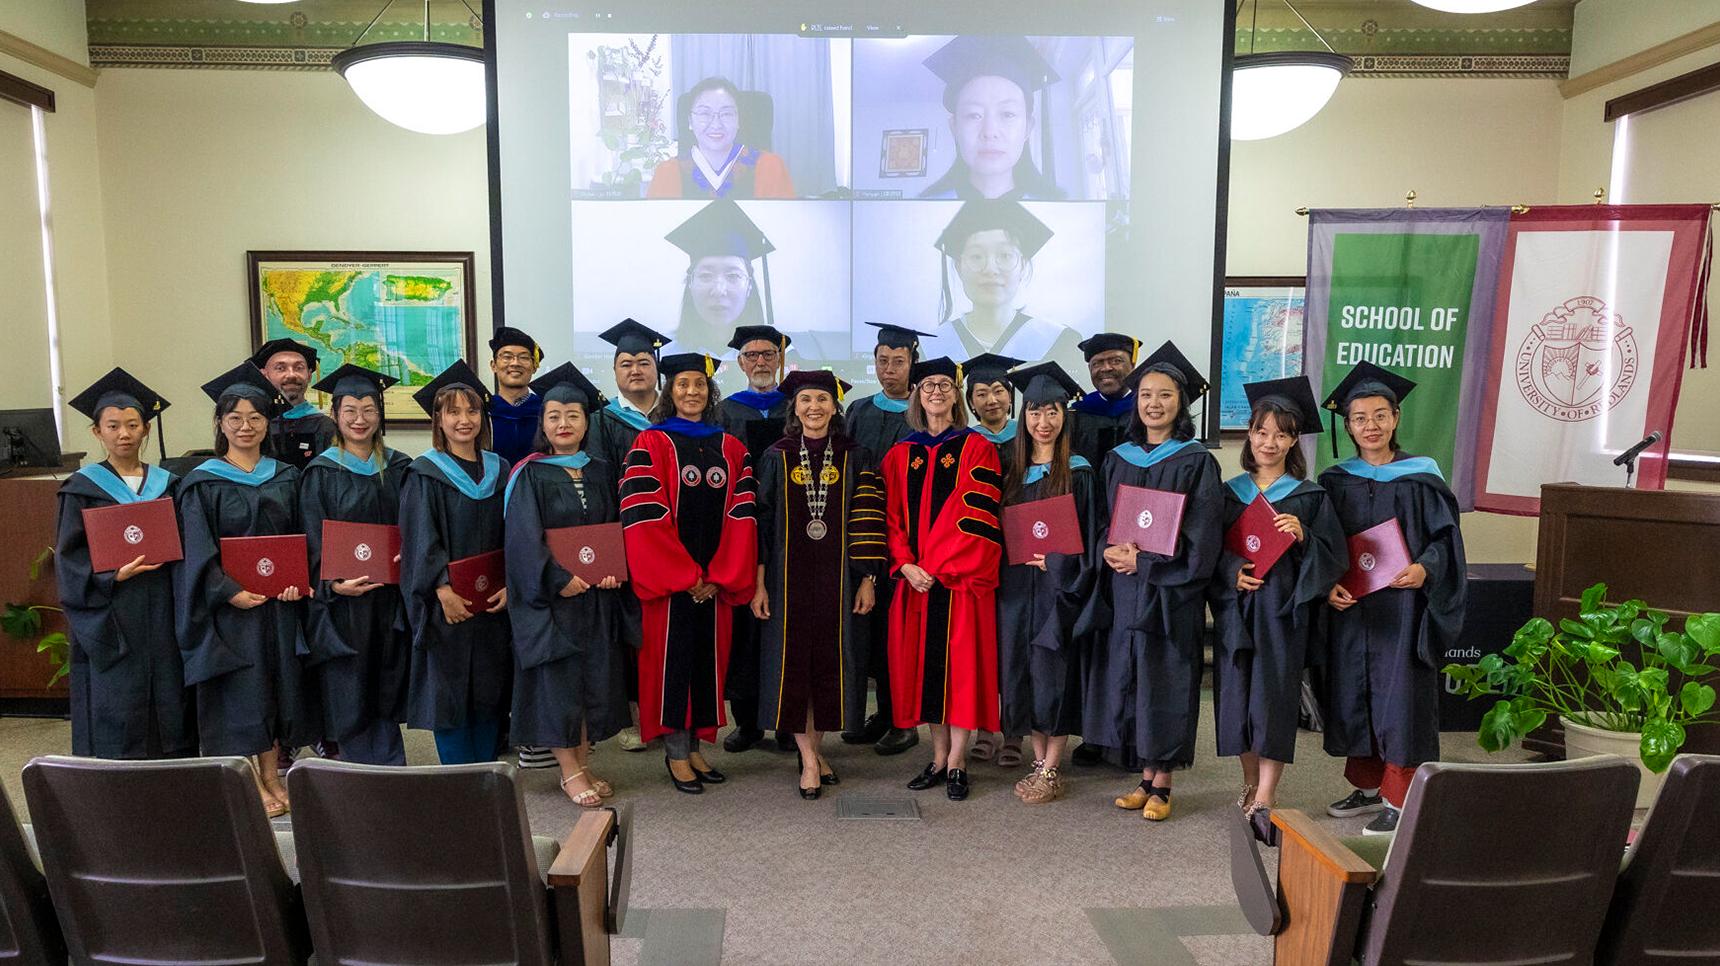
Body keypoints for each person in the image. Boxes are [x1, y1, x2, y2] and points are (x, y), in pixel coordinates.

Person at [1316, 362, 1466, 836]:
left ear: (1396, 417)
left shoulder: (1420, 477)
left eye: (1380, 416)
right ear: (1348, 425)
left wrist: (1426, 568)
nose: (1370, 426)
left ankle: (1399, 797)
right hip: (1355, 609)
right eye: (1359, 418)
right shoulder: (1336, 480)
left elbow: (1446, 542)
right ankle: (1366, 783)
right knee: (1355, 691)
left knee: (1400, 697)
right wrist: (1328, 585)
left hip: (1402, 607)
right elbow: (1324, 543)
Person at [1088, 341, 1224, 822]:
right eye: (1145, 394)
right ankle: (1145, 778)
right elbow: (1104, 517)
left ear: (1180, 403)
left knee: (1166, 679)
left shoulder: (1197, 461)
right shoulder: (1120, 458)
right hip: (1127, 588)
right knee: (1134, 678)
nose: (1153, 403)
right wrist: (1109, 548)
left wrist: (1143, 563)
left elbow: (1202, 537)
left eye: (1164, 395)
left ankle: (1163, 785)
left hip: (1169, 593)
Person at [1208, 376, 1346, 841]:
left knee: (1272, 703)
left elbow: (1333, 557)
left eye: (1282, 434)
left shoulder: (1308, 496)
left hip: (1281, 616)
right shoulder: (1229, 493)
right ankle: (1248, 784)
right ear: (1249, 434)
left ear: (1293, 440)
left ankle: (1267, 794)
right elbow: (1208, 551)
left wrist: (1305, 536)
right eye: (1262, 431)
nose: (1270, 442)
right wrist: (1231, 571)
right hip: (1236, 611)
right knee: (1238, 701)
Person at [174, 363, 312, 816]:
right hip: (230, 608)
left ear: (267, 423)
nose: (246, 426)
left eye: (255, 418)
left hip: (276, 605)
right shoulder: (202, 481)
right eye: (235, 418)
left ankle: (273, 774)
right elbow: (197, 548)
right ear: (220, 424)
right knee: (238, 690)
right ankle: (249, 778)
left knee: (273, 686)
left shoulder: (286, 475)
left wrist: (297, 583)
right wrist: (226, 590)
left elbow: (302, 539)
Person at [620, 352, 758, 794]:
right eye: (683, 385)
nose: (692, 392)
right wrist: (685, 576)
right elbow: (645, 517)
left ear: (710, 391)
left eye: (699, 385)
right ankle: (676, 753)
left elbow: (743, 514)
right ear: (670, 392)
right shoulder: (650, 444)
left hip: (713, 584)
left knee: (707, 666)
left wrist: (719, 575)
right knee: (672, 667)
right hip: (672, 586)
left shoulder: (731, 448)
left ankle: (696, 746)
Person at [750, 370, 886, 799]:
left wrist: (868, 579)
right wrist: (759, 584)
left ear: (835, 406)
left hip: (839, 582)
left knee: (831, 668)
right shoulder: (776, 455)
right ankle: (808, 760)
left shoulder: (856, 456)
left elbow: (869, 520)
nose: (814, 407)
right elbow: (762, 526)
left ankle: (815, 751)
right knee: (794, 669)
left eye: (822, 400)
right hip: (786, 582)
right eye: (806, 400)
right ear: (794, 408)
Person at [503, 362, 632, 807]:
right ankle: (569, 771)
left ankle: (583, 762)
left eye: (573, 415)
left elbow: (613, 529)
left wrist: (615, 569)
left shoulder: (600, 470)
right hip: (554, 601)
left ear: (585, 421)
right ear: (543, 423)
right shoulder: (529, 474)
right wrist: (559, 579)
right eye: (554, 415)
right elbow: (522, 538)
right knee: (558, 684)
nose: (564, 423)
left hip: (596, 598)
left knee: (589, 682)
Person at [882, 356, 1005, 802]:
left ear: (957, 395)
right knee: (924, 673)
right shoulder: (900, 454)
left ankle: (958, 761)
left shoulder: (977, 448)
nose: (936, 392)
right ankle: (936, 757)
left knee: (962, 673)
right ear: (917, 395)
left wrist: (936, 567)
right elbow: (890, 517)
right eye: (927, 385)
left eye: (944, 385)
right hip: (916, 582)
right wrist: (905, 565)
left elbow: (974, 515)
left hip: (959, 583)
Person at [55, 369, 195, 760]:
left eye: (132, 425)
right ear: (97, 432)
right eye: (113, 426)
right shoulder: (82, 488)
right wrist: (111, 575)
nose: (124, 434)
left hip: (164, 607)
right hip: (114, 614)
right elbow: (70, 559)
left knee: (170, 692)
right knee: (118, 697)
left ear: (146, 429)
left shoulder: (169, 484)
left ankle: (175, 776)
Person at [995, 362, 1101, 804]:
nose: (1044, 422)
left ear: (1065, 416)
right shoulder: (1009, 469)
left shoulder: (1079, 472)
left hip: (1058, 589)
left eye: (1053, 412)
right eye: (1035, 412)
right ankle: (1039, 761)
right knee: (1022, 670)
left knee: (1054, 672)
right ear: (1024, 417)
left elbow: (1092, 538)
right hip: (1017, 588)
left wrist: (1058, 563)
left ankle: (1053, 765)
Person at [298, 364, 413, 766]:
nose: (359, 419)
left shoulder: (401, 468)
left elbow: (415, 527)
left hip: (391, 597)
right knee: (350, 684)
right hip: (346, 603)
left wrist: (410, 556)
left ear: (380, 414)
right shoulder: (321, 473)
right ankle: (358, 771)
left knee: (387, 677)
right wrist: (331, 585)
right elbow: (312, 540)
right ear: (335, 415)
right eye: (350, 410)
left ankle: (392, 765)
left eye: (368, 409)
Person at [399, 361, 512, 765]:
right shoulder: (425, 473)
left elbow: (514, 535)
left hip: (493, 605)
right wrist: (442, 589)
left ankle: (486, 772)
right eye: (453, 412)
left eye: (472, 411)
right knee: (449, 694)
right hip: (447, 608)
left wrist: (510, 583)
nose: (464, 420)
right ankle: (458, 777)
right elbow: (419, 540)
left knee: (488, 690)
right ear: (439, 419)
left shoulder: (500, 469)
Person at [840, 322, 933, 756]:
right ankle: (877, 713)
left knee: (900, 631)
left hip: (908, 538)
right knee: (869, 629)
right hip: (863, 533)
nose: (889, 369)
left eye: (898, 361)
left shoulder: (923, 415)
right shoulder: (858, 409)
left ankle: (904, 720)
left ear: (913, 363)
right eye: (882, 361)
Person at [586, 318, 670, 754]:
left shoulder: (677, 415)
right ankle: (637, 718)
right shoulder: (602, 422)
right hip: (627, 541)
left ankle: (671, 714)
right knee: (631, 630)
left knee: (670, 627)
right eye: (625, 363)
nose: (635, 369)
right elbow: (600, 489)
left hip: (673, 542)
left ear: (656, 367)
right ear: (615, 372)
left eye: (642, 361)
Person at [716, 323, 795, 755]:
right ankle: (747, 721)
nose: (760, 362)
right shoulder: (726, 412)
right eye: (752, 355)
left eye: (768, 354)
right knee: (746, 629)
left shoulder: (797, 408)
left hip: (792, 534)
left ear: (780, 358)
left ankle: (786, 720)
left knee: (785, 629)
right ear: (740, 362)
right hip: (744, 529)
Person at [959, 351, 1023, 768]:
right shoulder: (967, 443)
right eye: (980, 393)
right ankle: (985, 728)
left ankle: (1014, 732)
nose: (991, 399)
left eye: (999, 390)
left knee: (1015, 644)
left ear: (1011, 396)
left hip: (1019, 555)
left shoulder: (1027, 436)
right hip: (980, 557)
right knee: (983, 646)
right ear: (970, 401)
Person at [920, 202, 1078, 362]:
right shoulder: (928, 348)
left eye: (1005, 255)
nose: (991, 269)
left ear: (1023, 266)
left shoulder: (1060, 343)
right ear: (959, 267)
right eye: (976, 256)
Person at [918, 36, 1066, 201]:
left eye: (1007, 114)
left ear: (1028, 128)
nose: (989, 131)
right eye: (974, 115)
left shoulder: (1057, 213)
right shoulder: (924, 212)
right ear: (954, 127)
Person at [646, 76, 795, 199]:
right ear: (690, 122)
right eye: (704, 113)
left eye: (726, 114)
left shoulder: (769, 166)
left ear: (739, 121)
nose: (716, 124)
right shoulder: (668, 172)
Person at [664, 199, 778, 353]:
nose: (719, 290)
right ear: (690, 283)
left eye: (733, 276)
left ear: (749, 286)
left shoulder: (778, 353)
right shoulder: (664, 354)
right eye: (706, 276)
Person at [251, 338, 337, 469]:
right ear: (264, 375)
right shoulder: (252, 426)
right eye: (280, 368)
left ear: (309, 375)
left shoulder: (325, 426)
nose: (291, 375)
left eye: (299, 368)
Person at [1068, 333, 1140, 468]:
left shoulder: (1147, 411)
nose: (1106, 368)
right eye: (1097, 363)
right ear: (1090, 369)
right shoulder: (1076, 415)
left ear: (1132, 365)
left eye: (1116, 361)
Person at [487, 326, 545, 467]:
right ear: (493, 365)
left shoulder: (545, 409)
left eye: (524, 357)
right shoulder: (483, 410)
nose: (515, 363)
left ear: (534, 366)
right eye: (507, 357)